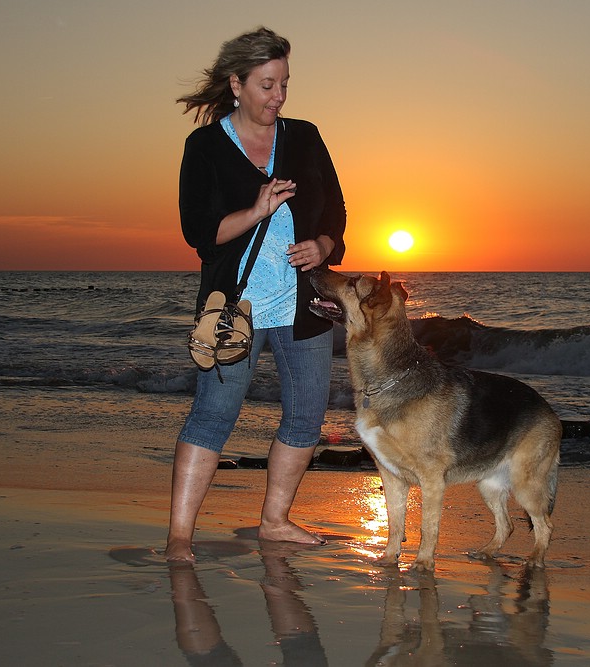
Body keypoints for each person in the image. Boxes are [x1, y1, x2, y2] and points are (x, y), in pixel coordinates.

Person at [166, 27, 347, 562]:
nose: (279, 97)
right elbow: (200, 232)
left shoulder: (306, 136)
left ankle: (275, 521)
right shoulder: (204, 147)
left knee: (306, 418)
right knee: (213, 416)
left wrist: (322, 244)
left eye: (285, 84)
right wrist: (256, 211)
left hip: (303, 308)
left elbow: (337, 210)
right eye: (267, 85)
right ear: (237, 84)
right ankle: (179, 537)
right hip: (234, 309)